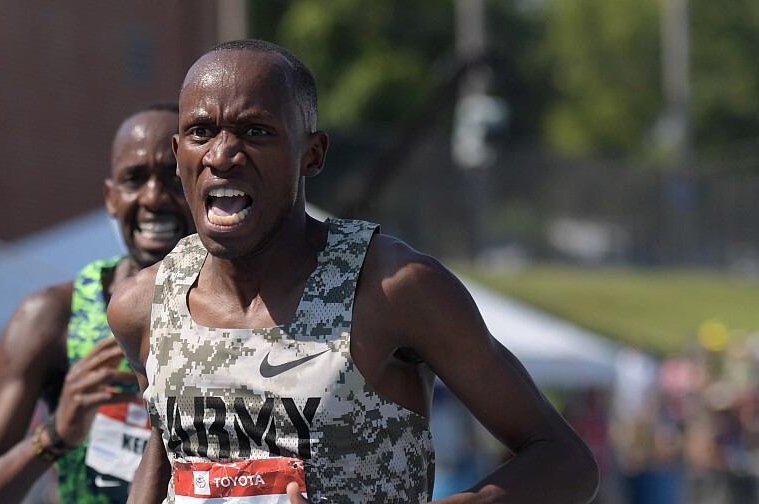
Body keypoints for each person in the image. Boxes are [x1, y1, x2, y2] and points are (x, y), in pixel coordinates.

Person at [107, 39, 600, 504]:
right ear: (179, 155)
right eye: (201, 132)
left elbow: (566, 461)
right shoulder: (142, 307)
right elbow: (164, 449)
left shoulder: (392, 288)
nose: (221, 155)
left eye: (256, 131)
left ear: (312, 154)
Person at [0, 102, 194, 504]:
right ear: (111, 198)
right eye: (134, 179)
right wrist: (55, 435)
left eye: (174, 178)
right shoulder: (52, 316)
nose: (153, 197)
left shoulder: (243, 310)